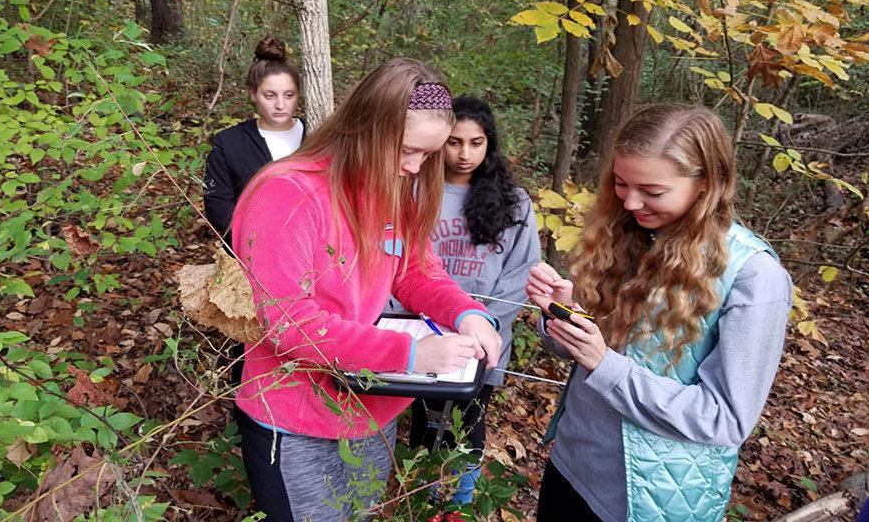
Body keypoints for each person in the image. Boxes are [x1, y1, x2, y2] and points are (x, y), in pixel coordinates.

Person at [230, 59, 503, 521]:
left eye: (427, 155)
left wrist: (466, 313)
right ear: (365, 127)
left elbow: (414, 270)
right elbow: (290, 323)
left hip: (370, 408)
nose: (415, 167)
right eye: (406, 150)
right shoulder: (287, 194)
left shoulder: (391, 185)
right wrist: (412, 356)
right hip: (297, 419)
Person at [525, 104, 792, 522]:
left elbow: (724, 419)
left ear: (705, 184)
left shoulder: (752, 277)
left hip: (652, 500)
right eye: (620, 183)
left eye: (652, 191)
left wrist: (605, 364)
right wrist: (566, 315)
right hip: (572, 467)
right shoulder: (630, 238)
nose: (630, 202)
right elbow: (588, 355)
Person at [405, 96, 540, 505]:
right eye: (455, 142)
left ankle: (463, 500)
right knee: (423, 417)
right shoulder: (414, 188)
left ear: (489, 144)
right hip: (425, 328)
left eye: (476, 143)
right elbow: (404, 264)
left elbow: (521, 273)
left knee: (470, 419)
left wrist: (486, 323)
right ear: (439, 142)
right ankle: (421, 495)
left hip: (485, 337)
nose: (465, 154)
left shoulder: (514, 201)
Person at [204, 36, 305, 243]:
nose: (280, 105)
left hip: (317, 253)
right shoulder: (229, 143)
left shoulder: (318, 134)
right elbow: (218, 206)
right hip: (253, 251)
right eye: (270, 95)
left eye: (288, 95)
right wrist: (256, 246)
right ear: (253, 94)